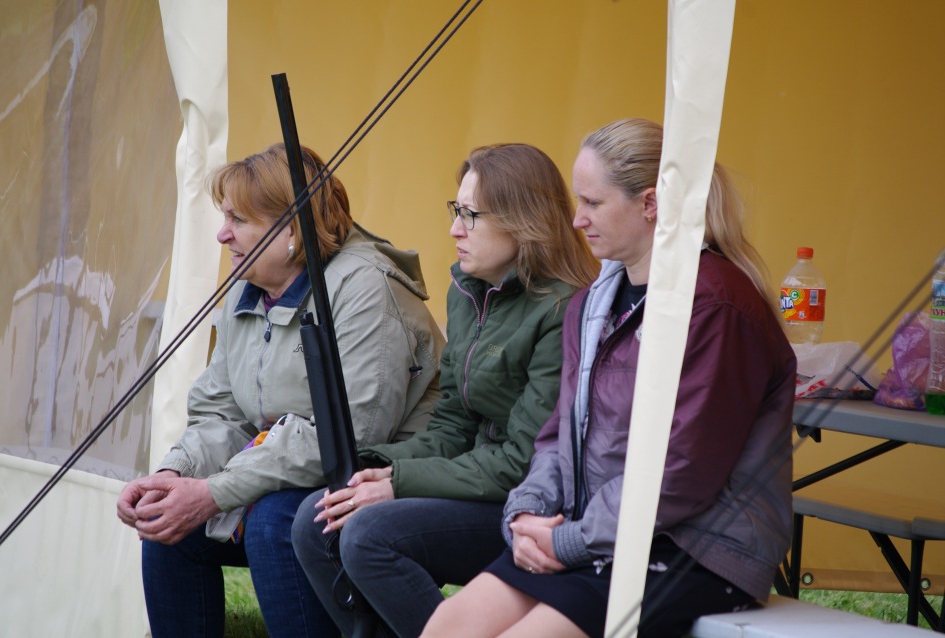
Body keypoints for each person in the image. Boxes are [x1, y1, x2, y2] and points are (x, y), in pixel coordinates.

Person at [423, 118, 797, 638]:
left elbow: (682, 470)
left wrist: (570, 540)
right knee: (448, 625)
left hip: (698, 548)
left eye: (592, 203)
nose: (577, 220)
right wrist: (526, 512)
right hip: (598, 533)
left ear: (650, 204)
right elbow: (557, 435)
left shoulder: (716, 305)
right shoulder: (591, 303)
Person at [116, 143, 445, 638]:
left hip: (385, 478)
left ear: (291, 228)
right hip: (291, 472)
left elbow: (353, 436)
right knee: (170, 525)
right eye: (224, 217)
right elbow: (223, 414)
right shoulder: (247, 287)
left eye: (238, 219)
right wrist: (175, 476)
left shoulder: (365, 288)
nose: (222, 233)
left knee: (275, 519)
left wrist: (214, 492)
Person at [291, 143, 599, 638]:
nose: (455, 229)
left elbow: (522, 461)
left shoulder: (564, 309)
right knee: (318, 516)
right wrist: (370, 464)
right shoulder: (468, 291)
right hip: (477, 481)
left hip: (532, 508)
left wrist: (399, 481)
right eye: (457, 210)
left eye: (471, 215)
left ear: (524, 221)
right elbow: (453, 424)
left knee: (369, 534)